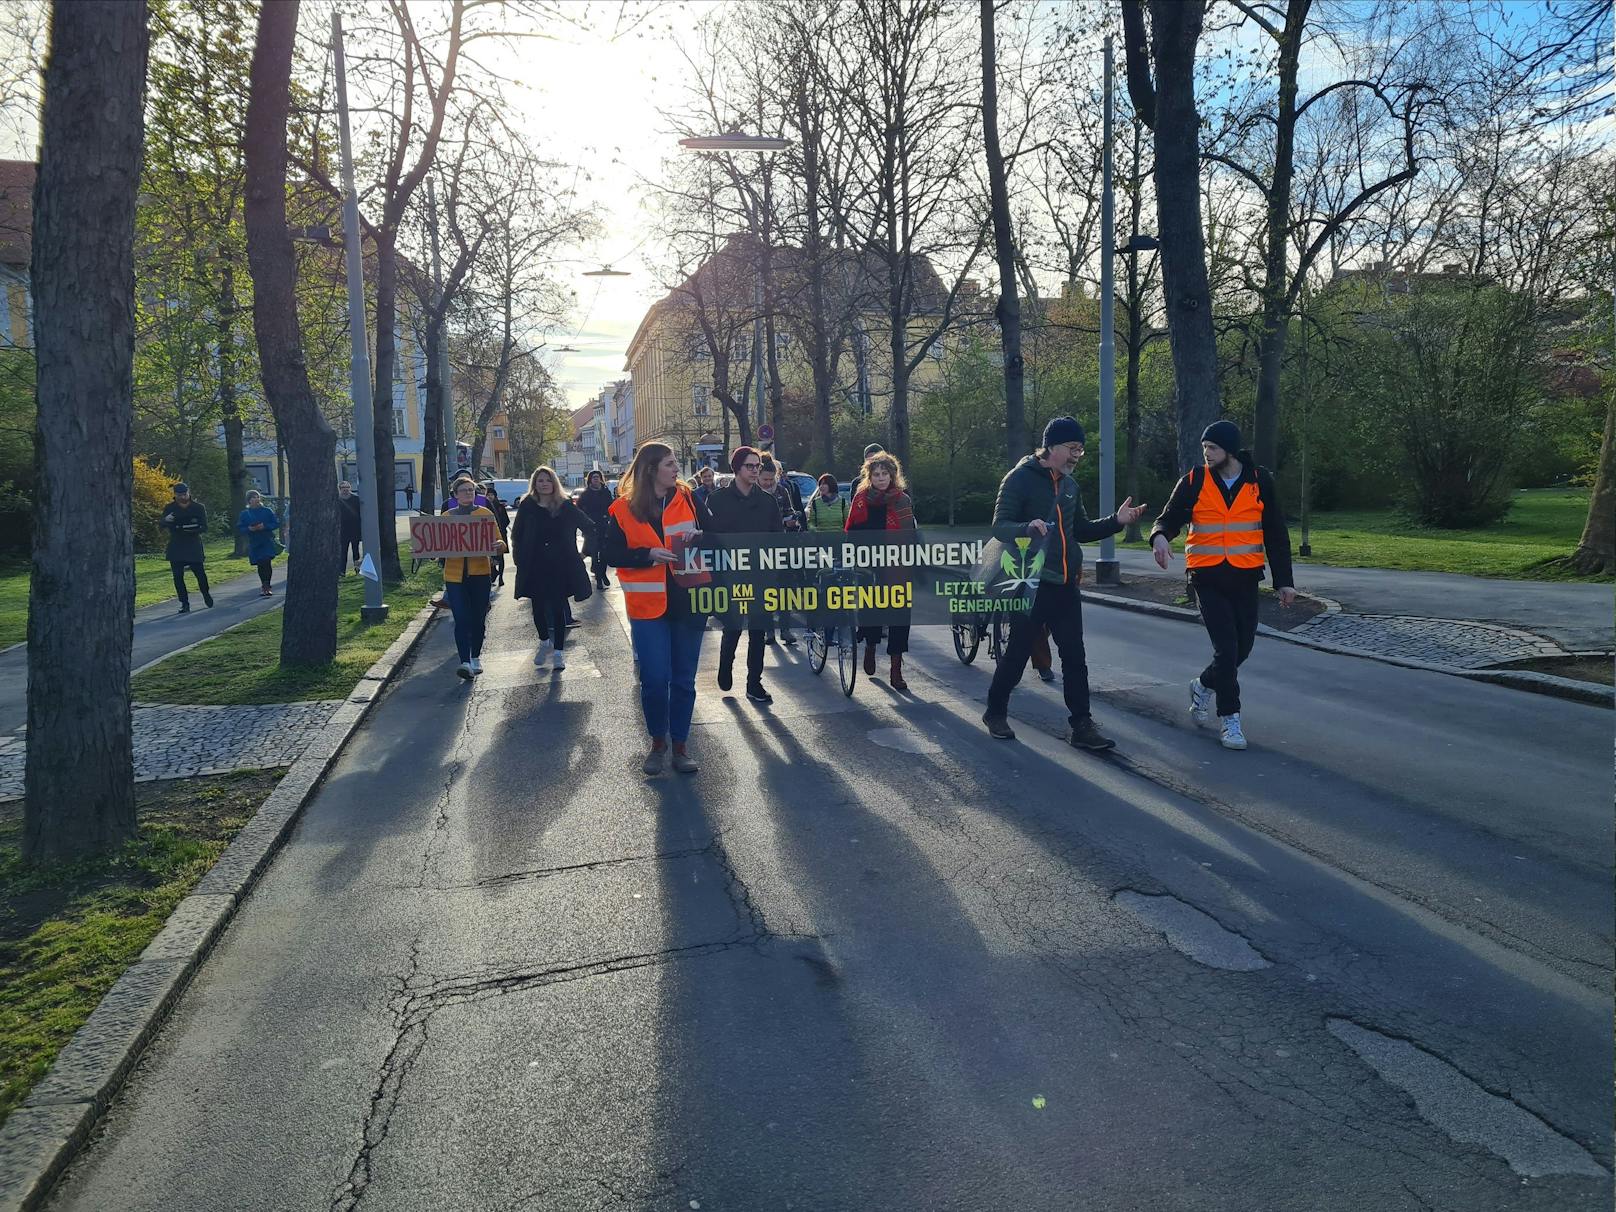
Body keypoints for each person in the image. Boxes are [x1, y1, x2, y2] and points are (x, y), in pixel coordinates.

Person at [982, 417, 1147, 750]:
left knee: (1075, 658)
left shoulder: (1071, 487)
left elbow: (1081, 530)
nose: (1076, 456)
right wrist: (1026, 527)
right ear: (1052, 446)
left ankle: (1082, 727)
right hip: (1030, 582)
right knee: (1016, 654)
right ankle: (995, 711)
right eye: (1072, 449)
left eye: (1081, 450)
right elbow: (1000, 526)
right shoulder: (1019, 479)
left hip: (1066, 583)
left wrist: (1117, 521)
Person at [1148, 419, 1296, 751]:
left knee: (1242, 648)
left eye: (1212, 448)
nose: (1206, 453)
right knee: (1227, 649)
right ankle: (1230, 719)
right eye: (1204, 448)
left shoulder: (1259, 480)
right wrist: (1158, 537)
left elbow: (1275, 533)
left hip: (1245, 578)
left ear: (1229, 449)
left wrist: (1284, 582)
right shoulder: (1194, 480)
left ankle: (1202, 685)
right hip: (1206, 578)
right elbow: (1168, 518)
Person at [603, 442, 714, 775]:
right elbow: (608, 554)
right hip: (647, 607)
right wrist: (646, 555)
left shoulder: (689, 498)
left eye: (676, 462)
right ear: (651, 468)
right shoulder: (622, 508)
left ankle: (680, 746)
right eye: (670, 463)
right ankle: (657, 743)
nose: (676, 468)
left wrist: (700, 535)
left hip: (689, 600)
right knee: (654, 679)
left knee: (683, 680)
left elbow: (715, 536)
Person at [705, 445, 781, 704]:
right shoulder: (717, 500)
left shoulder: (768, 502)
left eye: (757, 466)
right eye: (750, 466)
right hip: (729, 577)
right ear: (736, 468)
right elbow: (709, 539)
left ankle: (754, 684)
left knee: (758, 631)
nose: (755, 470)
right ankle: (726, 665)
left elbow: (777, 540)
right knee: (733, 626)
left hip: (760, 576)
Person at [845, 450, 918, 690]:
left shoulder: (902, 499)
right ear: (869, 476)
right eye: (876, 474)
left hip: (897, 566)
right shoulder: (861, 498)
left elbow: (910, 534)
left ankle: (896, 668)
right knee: (871, 611)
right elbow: (852, 532)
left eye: (885, 473)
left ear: (892, 475)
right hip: (869, 564)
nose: (880, 478)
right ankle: (870, 646)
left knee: (899, 617)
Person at [511, 466, 592, 671]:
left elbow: (589, 526)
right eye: (540, 481)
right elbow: (517, 535)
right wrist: (520, 559)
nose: (544, 484)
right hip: (535, 564)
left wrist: (585, 551)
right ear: (535, 484)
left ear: (554, 483)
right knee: (537, 607)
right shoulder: (527, 505)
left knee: (557, 607)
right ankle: (544, 641)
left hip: (560, 564)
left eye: (548, 480)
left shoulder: (564, 505)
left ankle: (558, 652)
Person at [442, 475, 505, 680]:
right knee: (461, 619)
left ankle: (476, 657)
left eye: (471, 490)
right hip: (454, 576)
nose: (468, 493)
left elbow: (500, 542)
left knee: (478, 618)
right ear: (455, 494)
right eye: (464, 490)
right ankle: (465, 662)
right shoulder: (447, 517)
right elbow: (437, 545)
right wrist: (427, 550)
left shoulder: (484, 513)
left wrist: (498, 546)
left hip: (480, 573)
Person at [757, 456, 804, 646]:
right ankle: (769, 629)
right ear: (758, 478)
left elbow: (789, 511)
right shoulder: (755, 494)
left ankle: (785, 628)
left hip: (783, 547)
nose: (768, 483)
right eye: (765, 480)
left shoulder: (782, 491)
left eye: (771, 480)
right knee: (767, 591)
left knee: (785, 590)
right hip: (762, 549)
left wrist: (793, 521)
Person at [160, 482, 213, 612]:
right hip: (177, 544)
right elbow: (161, 526)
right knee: (178, 577)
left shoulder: (198, 507)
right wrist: (166, 520)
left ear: (188, 493)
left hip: (193, 543)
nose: (183, 497)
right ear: (175, 495)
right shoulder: (170, 508)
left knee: (200, 573)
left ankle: (206, 594)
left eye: (185, 494)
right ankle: (184, 603)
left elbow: (204, 527)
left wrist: (194, 529)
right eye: (180, 495)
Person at [237, 490, 281, 597]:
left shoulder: (267, 511)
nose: (256, 499)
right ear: (249, 501)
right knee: (260, 564)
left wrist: (265, 526)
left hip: (266, 540)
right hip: (255, 542)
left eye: (257, 497)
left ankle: (267, 586)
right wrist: (249, 528)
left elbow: (275, 523)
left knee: (266, 561)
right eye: (253, 498)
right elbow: (240, 528)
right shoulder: (245, 514)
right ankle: (264, 585)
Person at [577, 469, 615, 590]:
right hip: (591, 528)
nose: (596, 479)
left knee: (604, 554)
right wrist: (585, 521)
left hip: (604, 527)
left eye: (598, 477)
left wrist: (609, 519)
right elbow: (579, 509)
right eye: (593, 477)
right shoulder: (585, 494)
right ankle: (599, 580)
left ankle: (602, 574)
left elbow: (611, 507)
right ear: (590, 480)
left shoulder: (605, 492)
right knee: (595, 554)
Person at [484, 484, 512, 588]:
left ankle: (501, 577)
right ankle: (494, 573)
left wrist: (500, 528)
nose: (490, 496)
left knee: (500, 557)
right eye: (488, 495)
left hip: (501, 534)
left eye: (492, 495)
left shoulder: (500, 506)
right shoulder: (485, 506)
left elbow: (506, 520)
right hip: (488, 536)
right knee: (490, 557)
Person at [338, 481, 361, 574]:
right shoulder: (337, 500)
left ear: (350, 488)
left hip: (354, 528)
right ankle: (342, 571)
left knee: (356, 550)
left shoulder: (356, 499)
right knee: (343, 551)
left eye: (347, 487)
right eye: (343, 487)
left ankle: (357, 569)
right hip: (342, 530)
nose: (345, 489)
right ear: (340, 489)